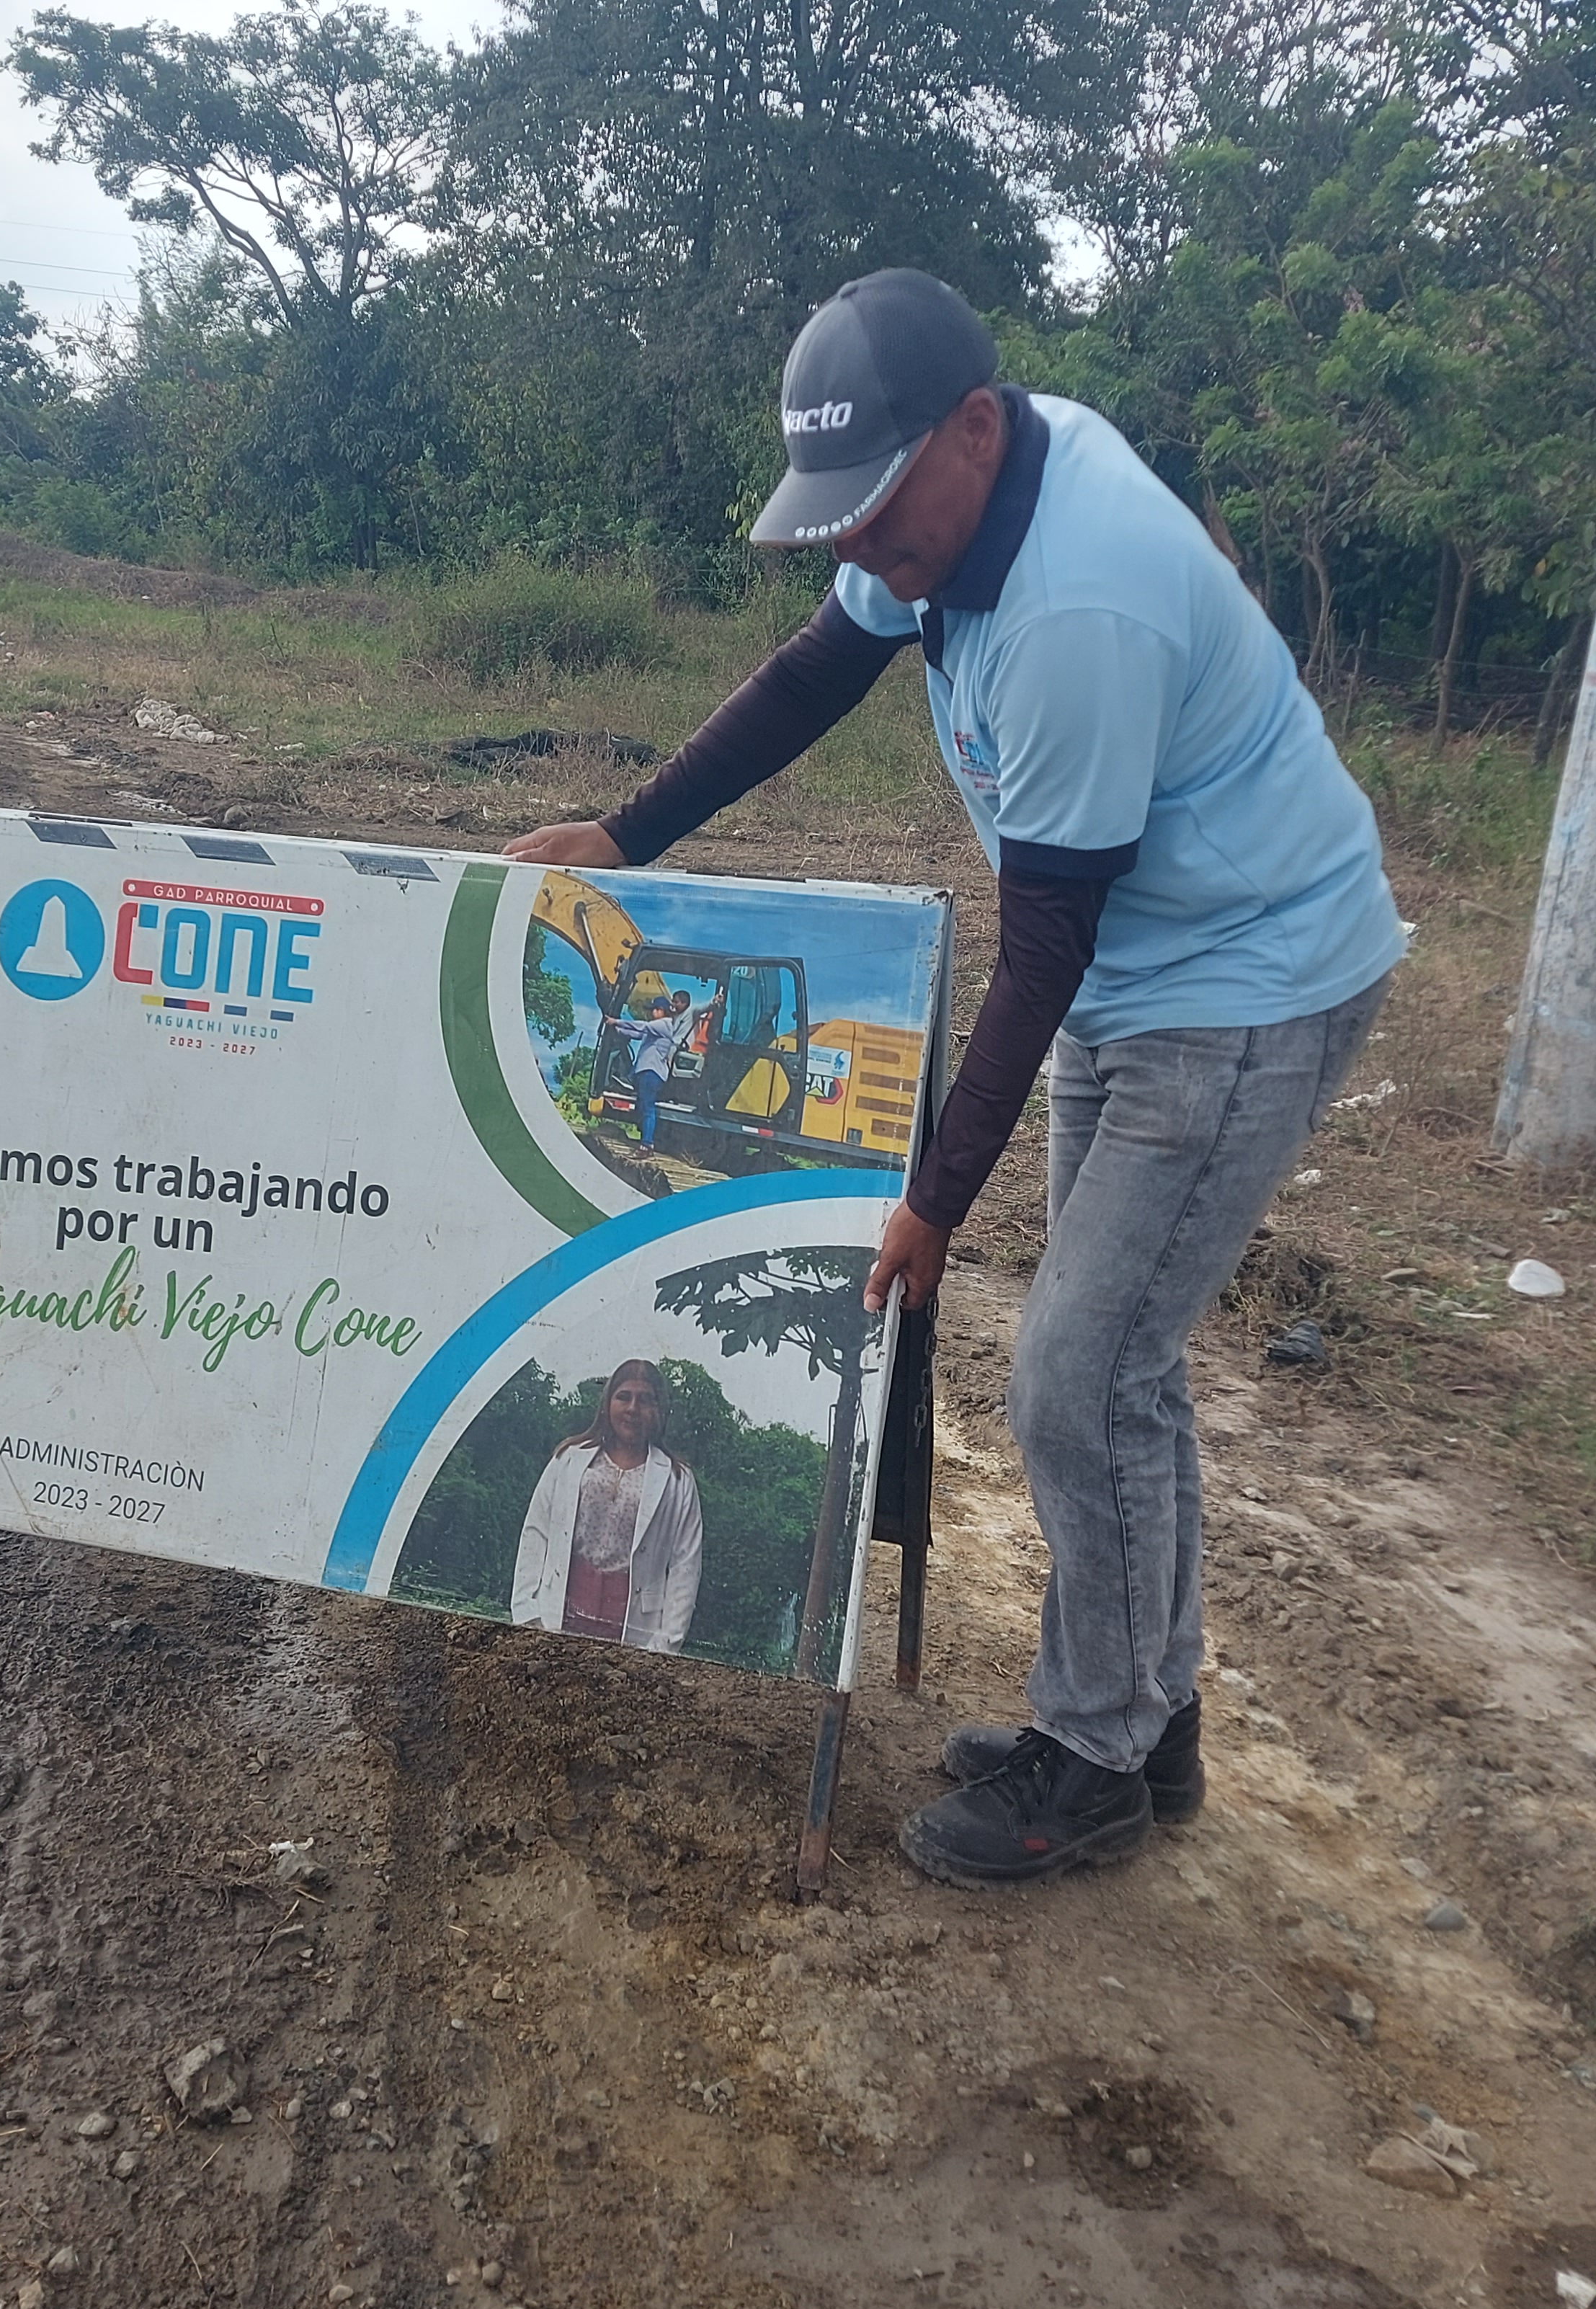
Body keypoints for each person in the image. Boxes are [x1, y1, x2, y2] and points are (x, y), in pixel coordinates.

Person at [505, 269, 1402, 1886]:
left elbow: (1037, 950)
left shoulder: (1074, 607)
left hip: (1241, 982)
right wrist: (626, 834)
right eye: (834, 513)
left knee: (1073, 1371)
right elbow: (810, 673)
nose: (856, 542)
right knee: (1118, 1369)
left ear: (974, 431)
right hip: (1140, 968)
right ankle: (1143, 1715)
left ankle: (1095, 1761)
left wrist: (929, 1202)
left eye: (876, 504)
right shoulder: (942, 522)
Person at [512, 1359, 704, 1652]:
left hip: (633, 1623)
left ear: (659, 1410)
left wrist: (663, 1647)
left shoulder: (678, 1480)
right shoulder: (569, 1458)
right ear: (607, 1403)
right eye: (624, 1397)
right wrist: (529, 1614)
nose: (633, 1409)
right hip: (561, 1608)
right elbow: (536, 1532)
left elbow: (685, 1567)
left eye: (645, 1400)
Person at [608, 989, 693, 1150]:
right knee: (644, 1107)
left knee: (648, 1108)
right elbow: (637, 1034)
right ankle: (646, 1140)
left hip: (652, 1073)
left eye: (653, 1009)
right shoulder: (655, 1029)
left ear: (661, 1010)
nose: (651, 1012)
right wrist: (618, 1030)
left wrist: (616, 1022)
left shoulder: (664, 1024)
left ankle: (647, 1144)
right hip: (646, 1072)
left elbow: (642, 1026)